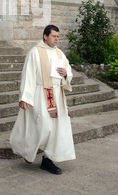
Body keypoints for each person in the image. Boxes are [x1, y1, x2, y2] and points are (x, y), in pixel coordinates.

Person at [10, 24, 76, 174]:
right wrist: (25, 97)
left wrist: (66, 73)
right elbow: (28, 75)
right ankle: (28, 151)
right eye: (54, 36)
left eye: (58, 37)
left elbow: (69, 72)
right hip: (40, 94)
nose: (56, 39)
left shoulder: (60, 53)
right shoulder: (35, 52)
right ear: (45, 36)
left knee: (55, 129)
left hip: (57, 96)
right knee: (42, 126)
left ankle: (47, 160)